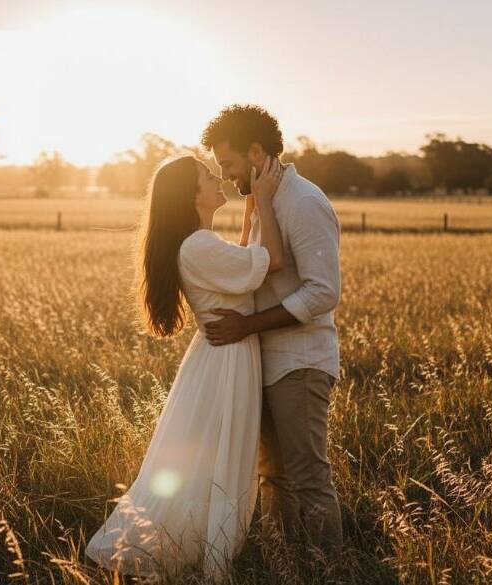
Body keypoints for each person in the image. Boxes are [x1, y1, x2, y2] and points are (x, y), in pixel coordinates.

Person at [86, 153, 285, 582]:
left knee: (216, 456)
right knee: (218, 458)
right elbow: (268, 264)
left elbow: (246, 260)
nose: (218, 179)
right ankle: (189, 554)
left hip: (224, 355)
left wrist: (252, 213)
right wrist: (264, 201)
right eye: (207, 176)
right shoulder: (198, 245)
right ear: (190, 196)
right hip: (225, 360)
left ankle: (196, 549)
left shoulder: (201, 242)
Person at [201, 104, 344, 553]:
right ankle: (283, 565)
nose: (224, 175)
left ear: (256, 151)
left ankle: (332, 571)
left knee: (308, 477)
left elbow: (324, 292)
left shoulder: (303, 202)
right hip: (263, 360)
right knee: (273, 477)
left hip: (300, 362)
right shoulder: (263, 201)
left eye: (228, 163)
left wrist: (248, 325)